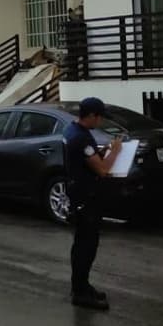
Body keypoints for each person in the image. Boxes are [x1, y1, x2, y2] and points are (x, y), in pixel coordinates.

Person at [64, 97, 123, 311]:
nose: (100, 122)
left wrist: (105, 150)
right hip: (85, 198)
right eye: (99, 117)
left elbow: (88, 160)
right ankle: (80, 292)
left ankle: (82, 285)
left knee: (82, 244)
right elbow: (102, 170)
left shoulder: (72, 130)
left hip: (79, 195)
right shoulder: (80, 138)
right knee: (86, 246)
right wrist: (115, 151)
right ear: (91, 116)